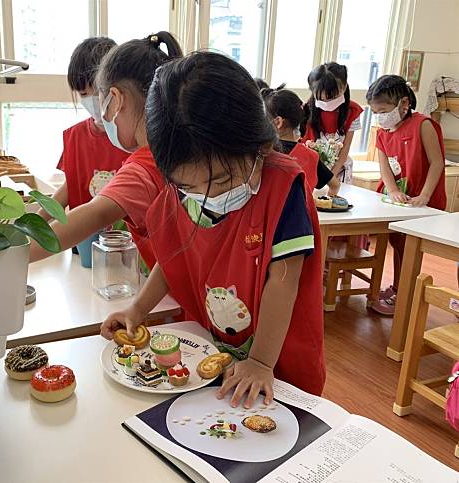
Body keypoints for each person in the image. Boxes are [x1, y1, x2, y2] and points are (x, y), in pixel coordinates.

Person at [101, 52, 326, 403]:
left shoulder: (283, 189)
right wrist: (137, 310)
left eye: (221, 179)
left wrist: (260, 361)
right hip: (218, 357)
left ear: (260, 144)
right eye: (189, 187)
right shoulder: (181, 192)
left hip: (278, 365)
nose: (210, 194)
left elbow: (284, 281)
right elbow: (174, 258)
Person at [30, 31, 183, 270]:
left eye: (100, 100)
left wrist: (15, 253)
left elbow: (95, 214)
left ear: (115, 98)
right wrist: (139, 308)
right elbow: (175, 255)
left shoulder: (143, 167)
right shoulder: (175, 149)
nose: (101, 114)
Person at [366, 74, 446, 315]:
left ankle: (406, 295)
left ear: (403, 104)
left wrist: (424, 195)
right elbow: (385, 168)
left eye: (383, 110)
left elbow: (436, 163)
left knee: (411, 248)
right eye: (375, 111)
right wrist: (391, 190)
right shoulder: (382, 133)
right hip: (399, 202)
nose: (380, 116)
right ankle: (399, 287)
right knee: (397, 244)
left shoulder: (423, 125)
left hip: (422, 202)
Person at [38, 37, 129, 221]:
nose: (95, 100)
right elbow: (69, 187)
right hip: (84, 241)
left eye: (99, 91)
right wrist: (32, 226)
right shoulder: (75, 137)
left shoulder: (133, 139)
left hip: (128, 244)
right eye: (85, 94)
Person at [261, 85, 340, 195]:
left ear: (278, 122)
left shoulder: (263, 153)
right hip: (303, 212)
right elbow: (335, 185)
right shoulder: (311, 156)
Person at [302, 62, 364, 183]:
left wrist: (330, 177)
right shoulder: (306, 111)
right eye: (321, 99)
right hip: (311, 169)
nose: (326, 103)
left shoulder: (352, 112)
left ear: (344, 87)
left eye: (332, 98)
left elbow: (345, 148)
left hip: (338, 171)